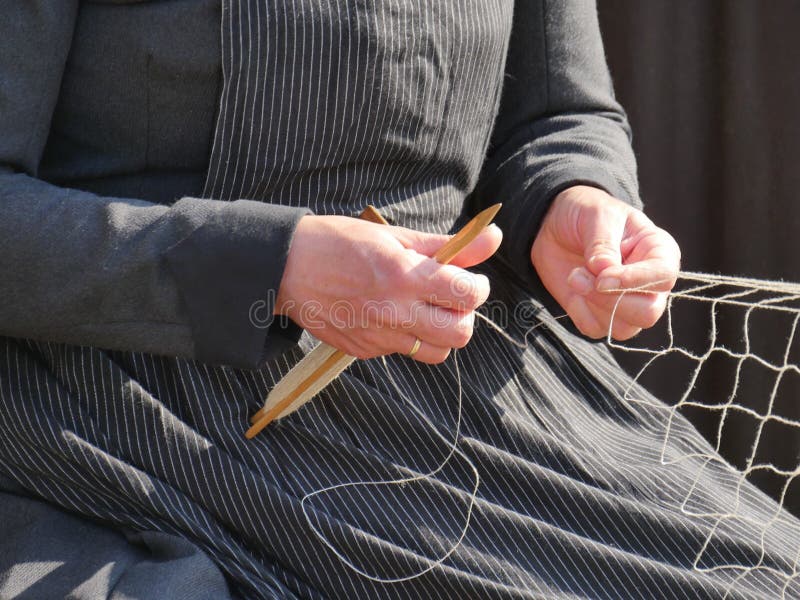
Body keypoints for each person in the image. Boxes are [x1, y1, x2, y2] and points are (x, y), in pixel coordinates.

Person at [0, 1, 796, 599]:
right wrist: (266, 267)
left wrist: (571, 199)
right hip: (115, 403)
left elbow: (556, 115)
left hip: (454, 399)